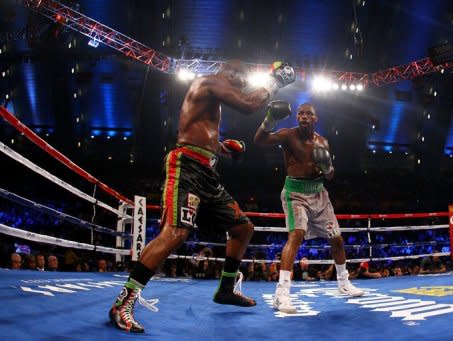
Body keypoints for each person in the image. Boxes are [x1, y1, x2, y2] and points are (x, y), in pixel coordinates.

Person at [109, 60, 295, 333]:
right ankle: (122, 303)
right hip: (187, 167)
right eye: (240, 78)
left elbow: (196, 131)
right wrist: (274, 82)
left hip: (207, 173)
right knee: (175, 233)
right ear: (230, 71)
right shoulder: (210, 81)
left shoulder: (211, 94)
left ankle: (226, 289)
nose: (242, 83)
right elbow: (247, 105)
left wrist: (220, 147)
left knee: (242, 227)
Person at [254, 102, 364, 314]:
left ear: (316, 118)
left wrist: (327, 167)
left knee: (337, 239)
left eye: (308, 114)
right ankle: (282, 294)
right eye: (300, 113)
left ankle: (343, 282)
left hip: (320, 195)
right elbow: (259, 140)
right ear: (297, 117)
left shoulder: (323, 142)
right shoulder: (287, 135)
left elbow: (330, 175)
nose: (304, 116)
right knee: (296, 235)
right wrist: (269, 119)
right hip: (295, 193)